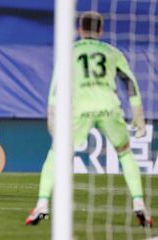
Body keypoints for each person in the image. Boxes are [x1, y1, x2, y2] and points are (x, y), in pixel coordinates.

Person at [25, 12, 153, 227]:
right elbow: (130, 83)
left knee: (57, 153)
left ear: (79, 29)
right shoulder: (113, 52)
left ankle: (42, 203)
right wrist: (138, 113)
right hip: (110, 108)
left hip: (81, 110)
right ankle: (139, 202)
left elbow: (57, 88)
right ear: (100, 31)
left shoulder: (68, 53)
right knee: (125, 153)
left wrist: (52, 114)